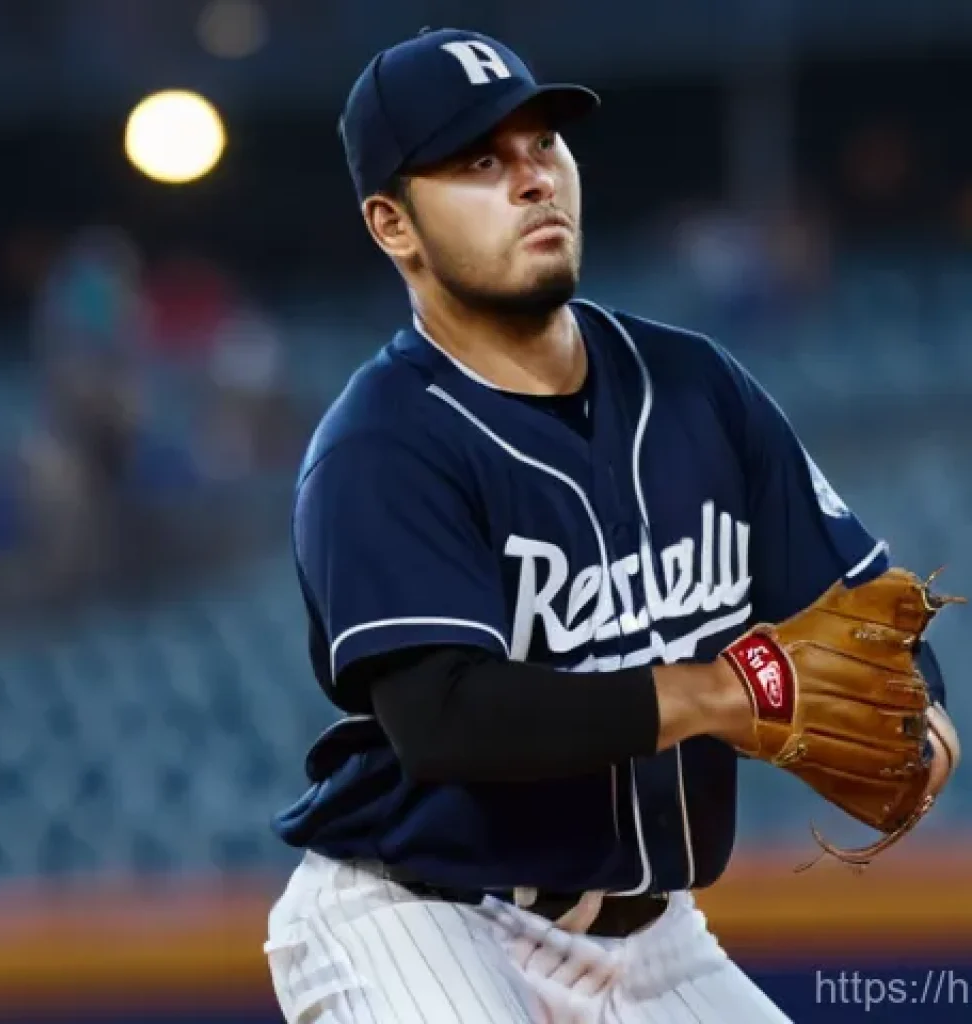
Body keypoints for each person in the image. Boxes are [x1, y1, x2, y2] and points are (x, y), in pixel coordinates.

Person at [264, 27, 960, 1023]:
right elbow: (447, 718)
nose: (531, 177)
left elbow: (858, 614)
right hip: (422, 913)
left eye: (541, 143)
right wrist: (716, 695)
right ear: (393, 224)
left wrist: (911, 725)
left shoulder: (697, 388)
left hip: (655, 940)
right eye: (479, 161)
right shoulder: (380, 445)